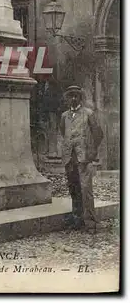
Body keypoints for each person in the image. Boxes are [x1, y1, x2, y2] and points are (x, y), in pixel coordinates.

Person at [60, 85, 104, 232]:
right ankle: (77, 220)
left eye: (76, 96)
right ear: (67, 98)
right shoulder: (64, 116)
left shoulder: (88, 114)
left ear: (80, 98)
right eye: (70, 96)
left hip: (84, 158)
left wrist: (91, 154)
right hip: (69, 158)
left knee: (86, 190)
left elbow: (98, 134)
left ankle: (91, 222)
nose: (73, 98)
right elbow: (63, 133)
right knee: (74, 189)